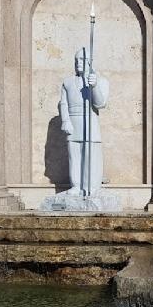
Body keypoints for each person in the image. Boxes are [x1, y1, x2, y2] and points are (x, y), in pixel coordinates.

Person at [59, 48, 109, 196]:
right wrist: (65, 120)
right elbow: (64, 104)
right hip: (73, 122)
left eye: (81, 60)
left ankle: (91, 186)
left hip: (90, 121)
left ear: (90, 62)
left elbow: (100, 104)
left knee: (90, 155)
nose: (77, 63)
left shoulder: (101, 81)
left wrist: (94, 86)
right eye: (76, 60)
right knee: (74, 155)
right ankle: (76, 185)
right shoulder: (67, 82)